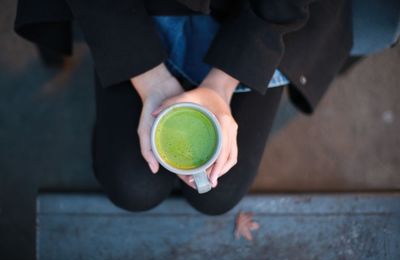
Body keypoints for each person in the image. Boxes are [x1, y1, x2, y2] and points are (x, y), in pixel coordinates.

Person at [14, 0, 352, 215]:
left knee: (219, 195)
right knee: (133, 187)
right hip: (140, 10)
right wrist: (150, 80)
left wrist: (221, 84)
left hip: (256, 17)